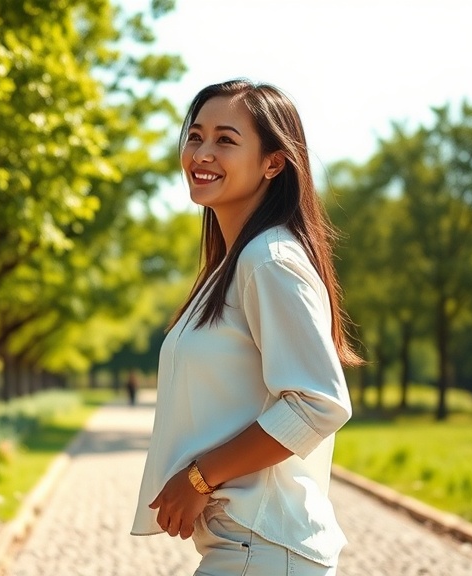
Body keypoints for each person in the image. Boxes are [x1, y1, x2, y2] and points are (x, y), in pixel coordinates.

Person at [131, 79, 362, 575]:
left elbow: (318, 403)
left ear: (273, 162)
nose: (202, 153)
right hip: (246, 547)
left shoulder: (269, 260)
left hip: (262, 548)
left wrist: (198, 479)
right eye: (195, 136)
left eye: (226, 140)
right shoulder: (236, 265)